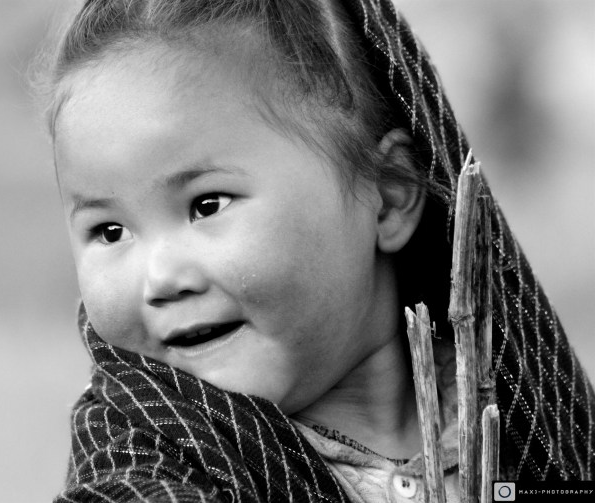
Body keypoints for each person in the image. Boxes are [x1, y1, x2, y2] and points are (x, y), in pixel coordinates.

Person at [34, 0, 595, 501]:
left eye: (206, 205)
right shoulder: (145, 454)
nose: (158, 278)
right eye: (110, 231)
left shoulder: (520, 414)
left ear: (387, 196)